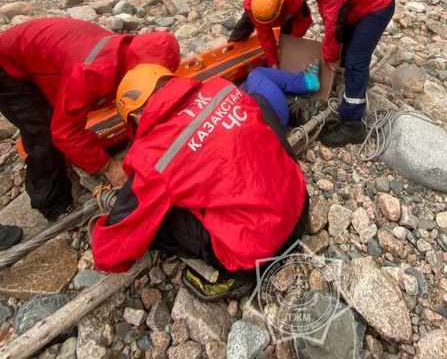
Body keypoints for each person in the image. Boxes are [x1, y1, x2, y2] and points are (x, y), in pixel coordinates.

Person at [91, 63, 308, 301]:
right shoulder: (221, 88)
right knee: (257, 104)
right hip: (299, 205)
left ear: (135, 117)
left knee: (157, 215)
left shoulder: (153, 156)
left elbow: (111, 250)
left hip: (260, 253)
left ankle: (236, 275)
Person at [0, 18, 180, 220]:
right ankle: (55, 207)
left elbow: (133, 105)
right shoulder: (90, 73)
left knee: (63, 113)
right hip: (7, 65)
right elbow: (64, 132)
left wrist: (141, 146)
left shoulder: (135, 51)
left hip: (44, 54)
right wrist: (109, 166)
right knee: (43, 134)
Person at [282, 0, 395, 147]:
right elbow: (335, 22)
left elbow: (333, 25)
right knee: (344, 50)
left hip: (376, 6)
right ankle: (345, 83)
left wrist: (330, 56)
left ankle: (353, 123)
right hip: (356, 4)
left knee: (356, 60)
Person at [228, 0, 313, 67]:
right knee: (246, 23)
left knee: (288, 30)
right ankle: (230, 50)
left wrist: (290, 42)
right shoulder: (251, 3)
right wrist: (272, 61)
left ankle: (284, 47)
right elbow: (264, 35)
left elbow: (304, 22)